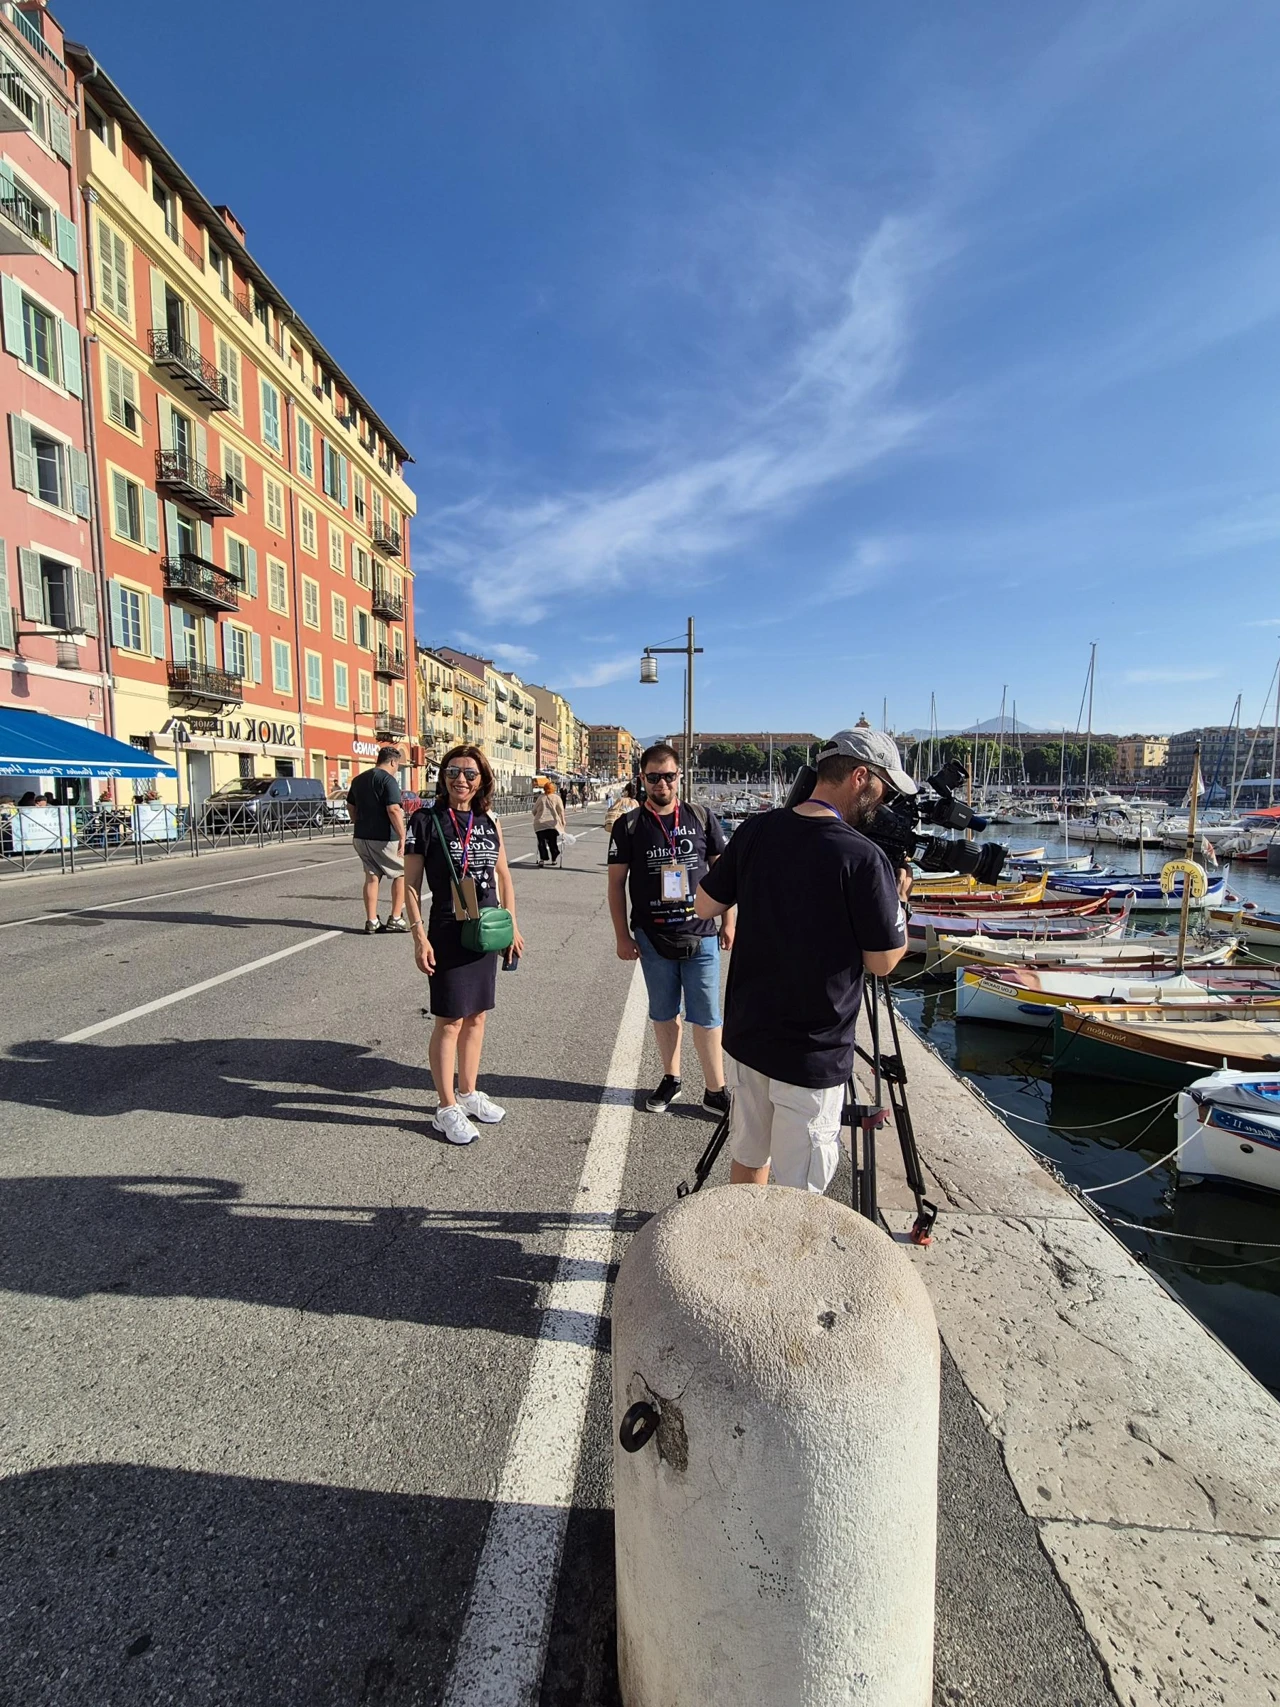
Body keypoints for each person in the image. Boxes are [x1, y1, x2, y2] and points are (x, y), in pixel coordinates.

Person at [694, 728, 912, 1195]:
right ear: (860, 777)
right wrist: (899, 902)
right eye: (884, 788)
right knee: (801, 1192)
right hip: (811, 1054)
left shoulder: (755, 830)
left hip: (748, 1036)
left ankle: (741, 1247)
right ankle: (782, 1268)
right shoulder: (863, 857)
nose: (884, 802)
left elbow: (704, 905)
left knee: (749, 1157)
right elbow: (882, 962)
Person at [403, 745, 525, 1146]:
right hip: (446, 930)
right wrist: (418, 936)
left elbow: (504, 875)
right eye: (454, 771)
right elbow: (409, 885)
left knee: (477, 1017)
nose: (461, 779)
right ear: (443, 776)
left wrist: (512, 925)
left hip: (486, 930)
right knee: (450, 1020)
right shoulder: (424, 821)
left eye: (470, 774)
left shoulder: (488, 820)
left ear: (482, 780)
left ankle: (470, 1093)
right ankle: (445, 1106)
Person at [608, 742, 732, 1116]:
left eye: (668, 776)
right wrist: (621, 936)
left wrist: (730, 922)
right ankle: (671, 1078)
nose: (661, 783)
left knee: (707, 1015)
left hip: (702, 932)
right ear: (642, 778)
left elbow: (724, 875)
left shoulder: (701, 816)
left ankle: (715, 1089)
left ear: (680, 777)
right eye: (653, 777)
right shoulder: (627, 826)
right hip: (652, 936)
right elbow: (615, 885)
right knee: (663, 1013)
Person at [347, 746, 408, 935]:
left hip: (361, 836)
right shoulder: (388, 780)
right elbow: (393, 810)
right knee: (401, 873)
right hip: (384, 837)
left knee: (372, 877)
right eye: (397, 765)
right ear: (392, 762)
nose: (396, 768)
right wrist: (402, 836)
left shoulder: (358, 779)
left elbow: (350, 806)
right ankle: (396, 918)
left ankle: (372, 920)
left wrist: (358, 821)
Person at [532, 778, 566, 866]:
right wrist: (563, 821)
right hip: (552, 824)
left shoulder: (541, 798)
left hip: (540, 824)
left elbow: (534, 811)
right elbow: (561, 811)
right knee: (552, 842)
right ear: (553, 789)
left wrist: (538, 815)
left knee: (541, 842)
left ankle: (542, 859)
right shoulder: (557, 798)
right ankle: (554, 859)